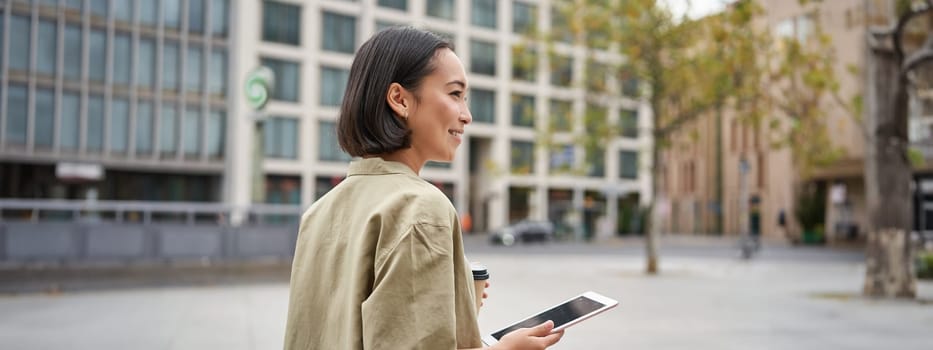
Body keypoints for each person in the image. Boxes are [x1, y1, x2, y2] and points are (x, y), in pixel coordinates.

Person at [283, 27, 564, 350]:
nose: (467, 115)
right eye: (455, 94)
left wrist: (453, 311)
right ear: (400, 99)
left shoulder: (319, 212)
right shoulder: (420, 208)